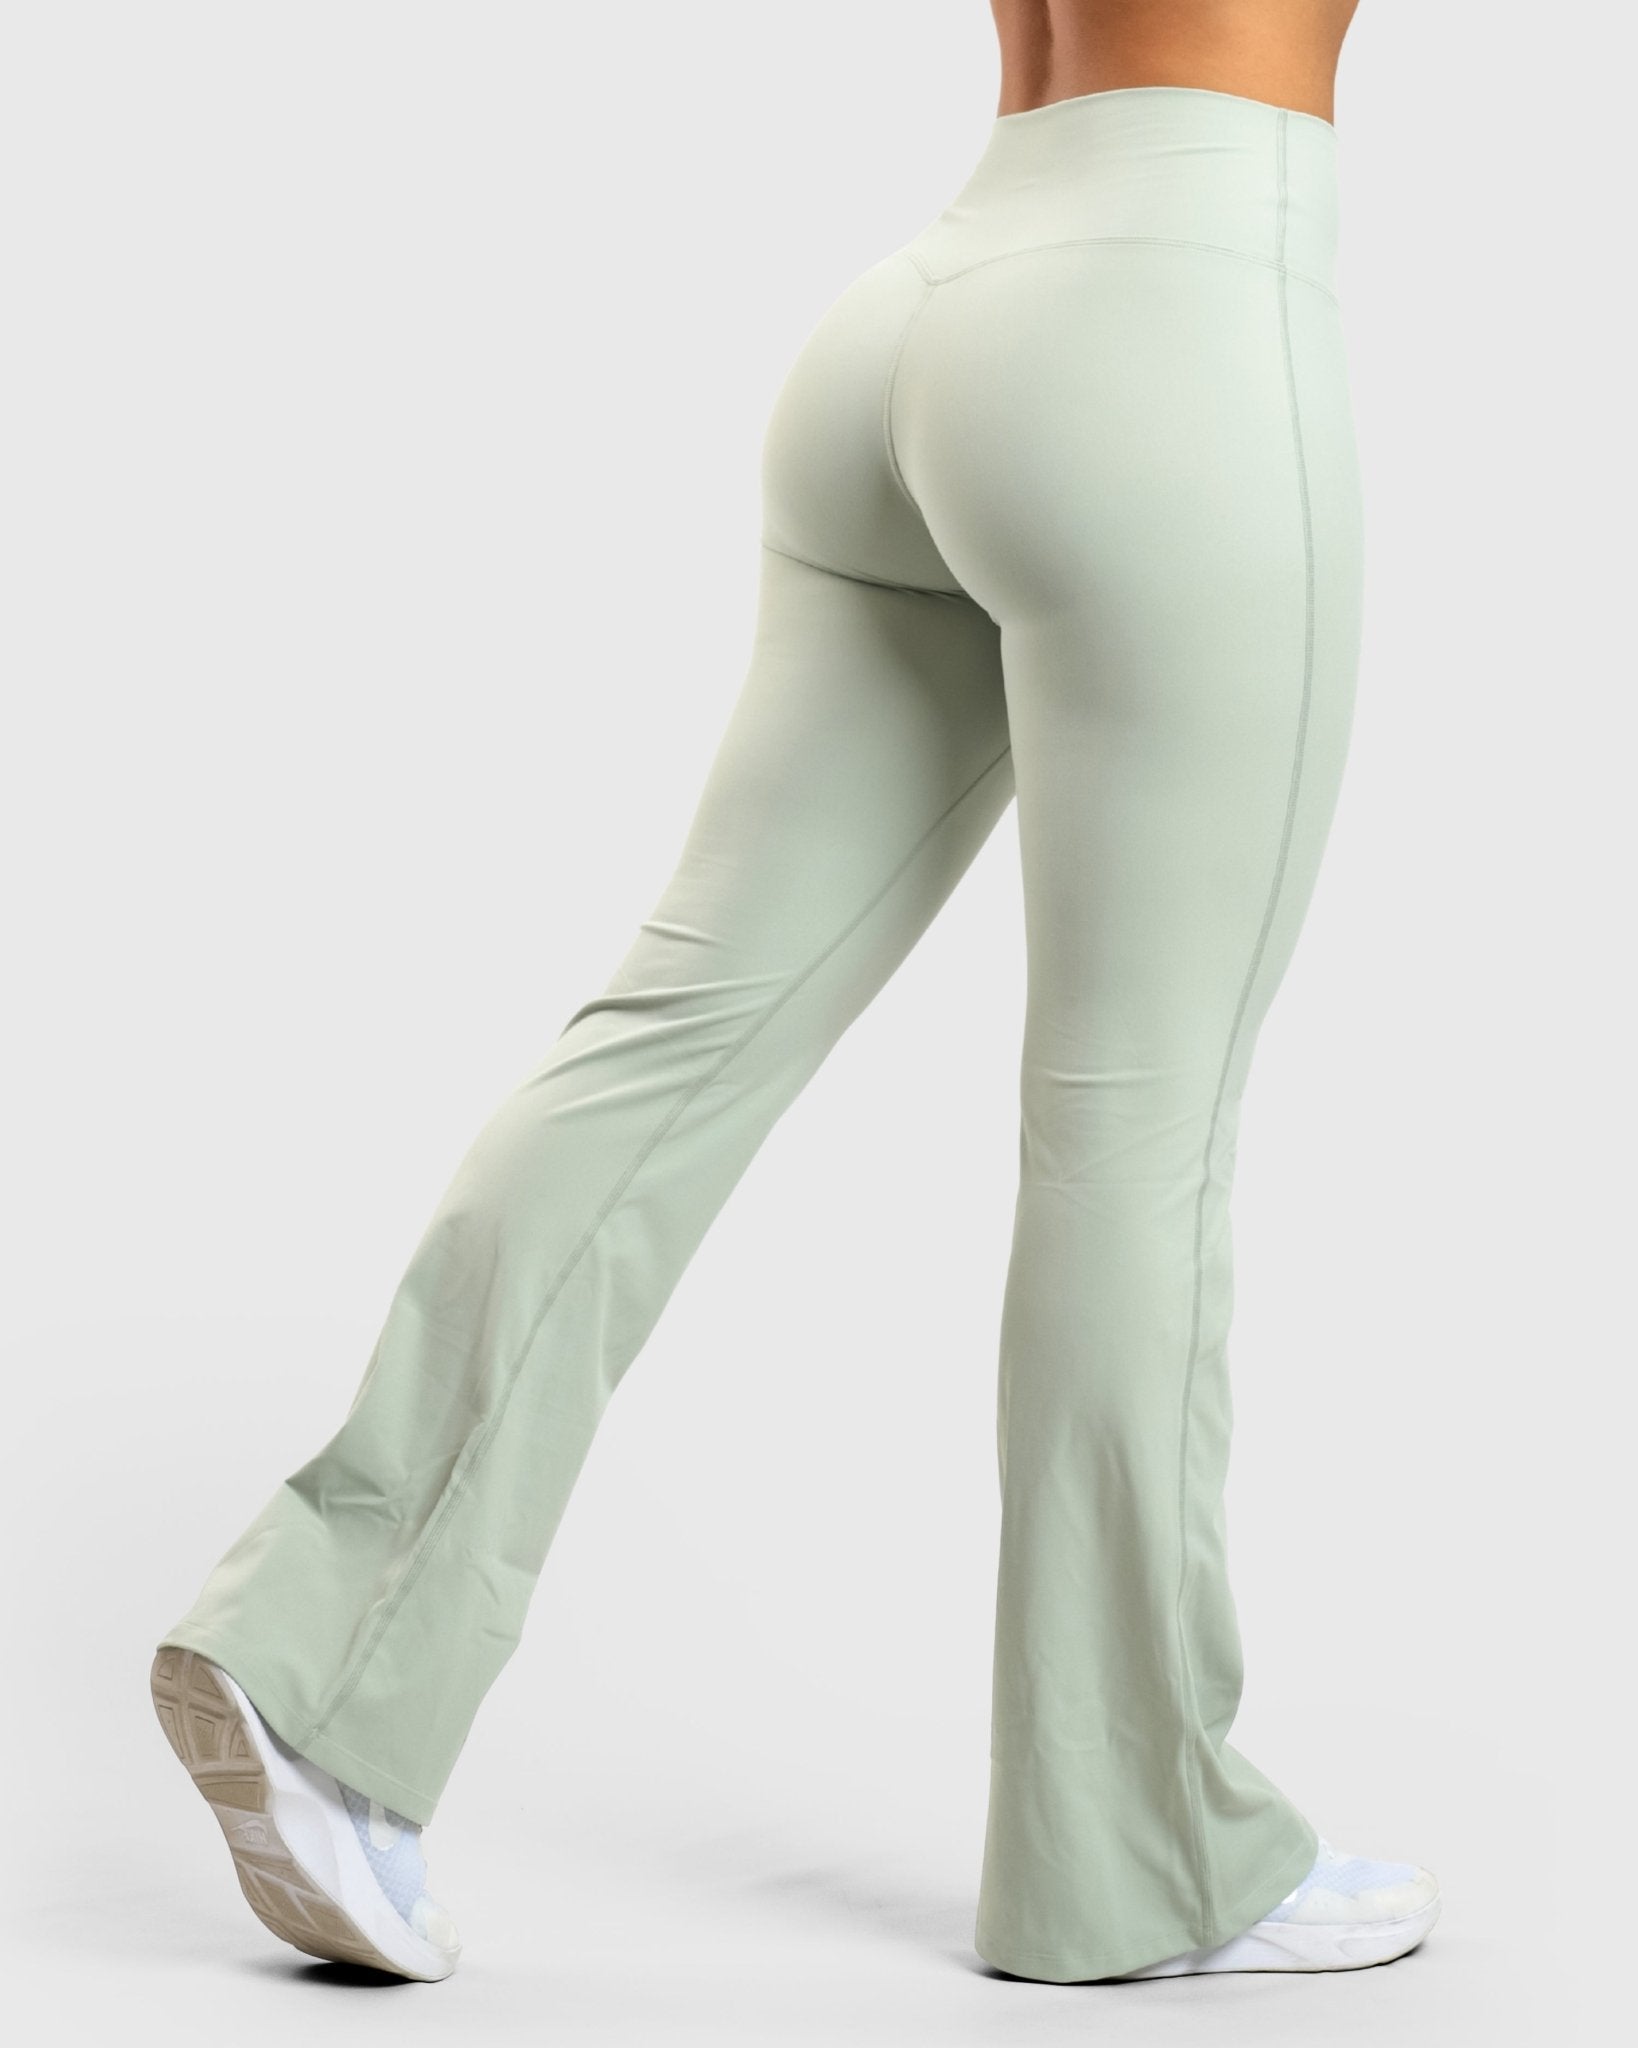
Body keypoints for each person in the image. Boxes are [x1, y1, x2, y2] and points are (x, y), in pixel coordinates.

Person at [150, 0, 1441, 1987]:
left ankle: (320, 1663)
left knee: (675, 1031)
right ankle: (1139, 1855)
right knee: (1135, 1124)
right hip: (1173, 327)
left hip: (922, 323)